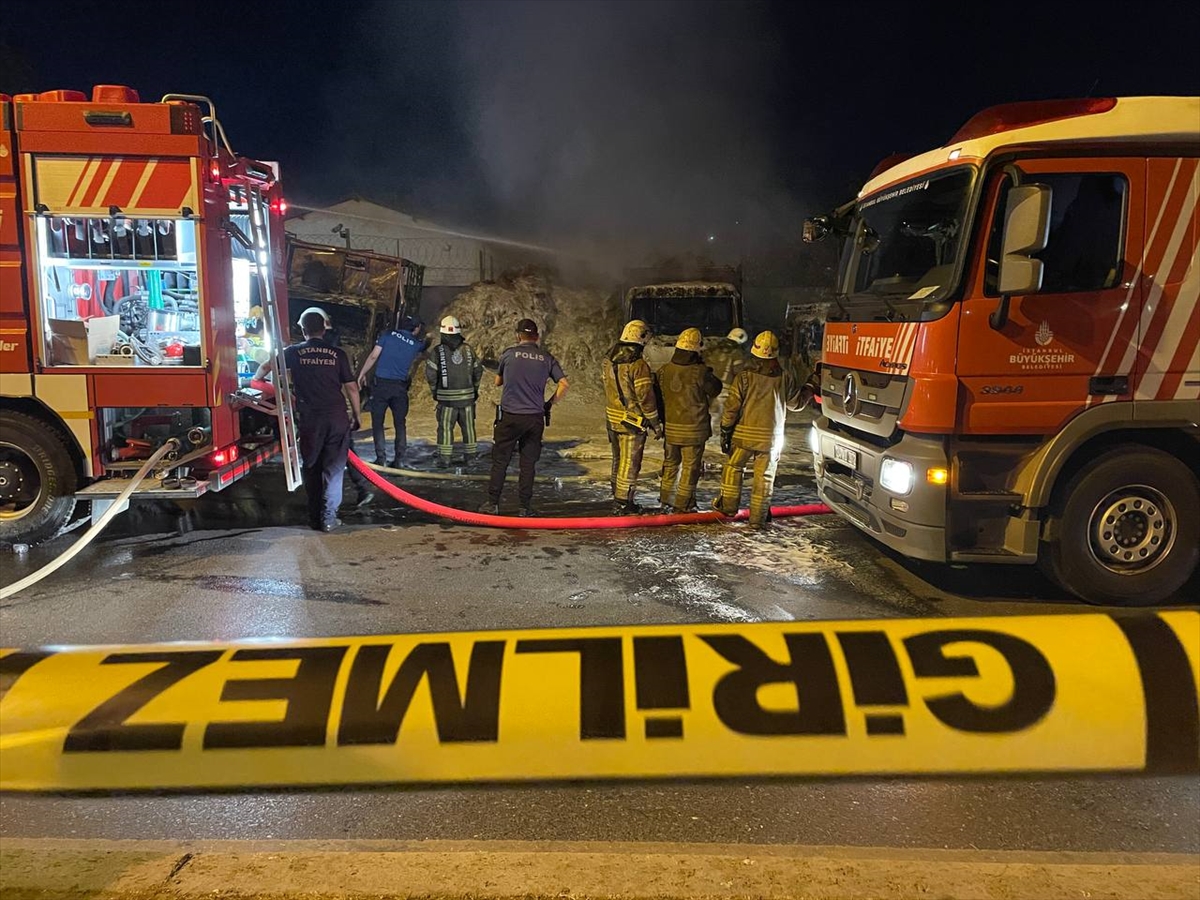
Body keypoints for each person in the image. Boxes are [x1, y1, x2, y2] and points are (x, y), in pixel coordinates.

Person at [258, 308, 362, 532]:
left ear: (302, 330)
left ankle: (315, 517)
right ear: (324, 328)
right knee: (333, 470)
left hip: (310, 420)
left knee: (312, 467)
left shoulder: (293, 352)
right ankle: (328, 519)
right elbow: (352, 388)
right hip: (336, 417)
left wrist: (258, 383)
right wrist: (357, 414)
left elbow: (266, 368)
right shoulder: (338, 354)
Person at [712, 330, 812, 526]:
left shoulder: (744, 377)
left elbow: (732, 408)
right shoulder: (785, 378)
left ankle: (728, 507)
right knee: (764, 476)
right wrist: (810, 386)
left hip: (743, 436)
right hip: (771, 439)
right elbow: (796, 404)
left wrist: (725, 431)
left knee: (733, 467)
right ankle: (758, 518)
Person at [478, 318, 569, 516]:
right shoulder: (546, 357)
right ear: (536, 336)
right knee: (528, 465)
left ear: (518, 335)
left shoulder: (509, 355)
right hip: (534, 418)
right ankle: (524, 508)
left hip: (510, 417)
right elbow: (564, 384)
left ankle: (492, 504)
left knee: (500, 461)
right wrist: (549, 403)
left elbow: (497, 382)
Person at [655, 327, 722, 513]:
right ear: (696, 349)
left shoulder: (663, 371)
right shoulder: (700, 372)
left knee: (670, 464)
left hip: (671, 429)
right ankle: (683, 505)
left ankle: (666, 501)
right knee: (690, 468)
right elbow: (715, 389)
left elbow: (658, 399)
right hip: (694, 429)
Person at [603, 319, 662, 514]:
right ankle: (623, 504)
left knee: (617, 460)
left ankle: (616, 497)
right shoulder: (637, 364)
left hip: (612, 418)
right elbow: (645, 396)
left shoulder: (608, 360)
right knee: (630, 464)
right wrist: (655, 423)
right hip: (632, 422)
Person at [357, 314, 428, 467]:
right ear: (416, 329)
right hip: (399, 388)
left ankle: (381, 458)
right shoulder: (416, 344)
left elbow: (373, 356)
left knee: (377, 422)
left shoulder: (386, 335)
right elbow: (425, 346)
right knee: (400, 424)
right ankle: (399, 460)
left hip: (381, 385)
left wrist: (362, 374)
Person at [425, 315, 484, 467]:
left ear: (443, 334)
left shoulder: (437, 352)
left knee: (445, 428)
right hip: (467, 400)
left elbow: (431, 374)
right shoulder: (469, 350)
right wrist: (474, 389)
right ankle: (470, 458)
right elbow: (478, 371)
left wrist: (435, 391)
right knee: (469, 428)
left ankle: (445, 459)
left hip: (447, 401)